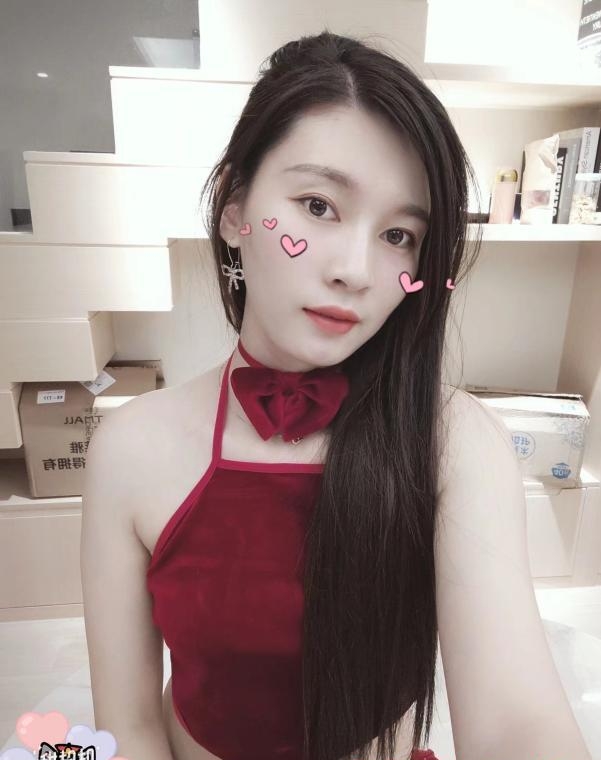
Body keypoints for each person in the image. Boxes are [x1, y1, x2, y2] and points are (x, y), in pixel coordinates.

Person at [81, 29, 593, 760]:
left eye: (398, 235)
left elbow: (517, 724)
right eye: (318, 205)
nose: (355, 269)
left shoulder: (454, 441)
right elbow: (126, 727)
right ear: (234, 207)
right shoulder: (129, 447)